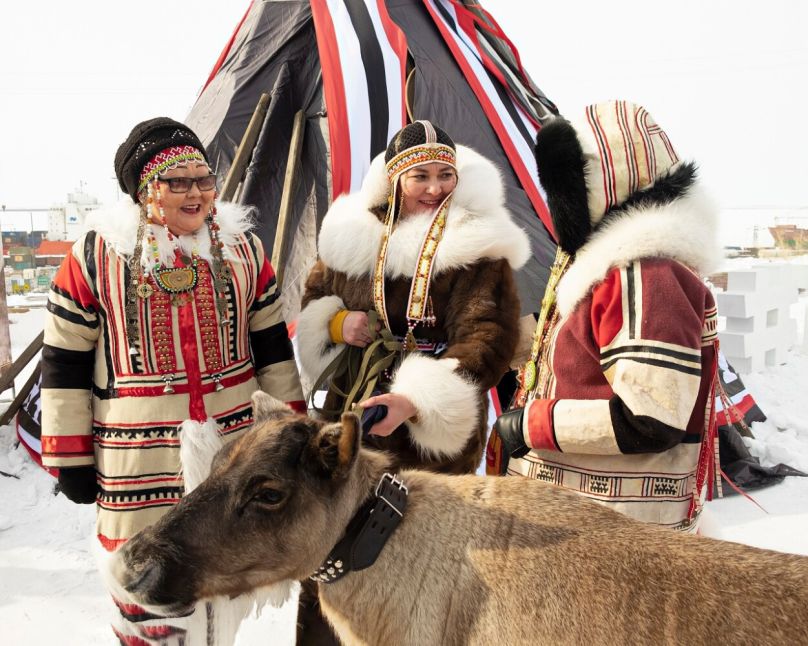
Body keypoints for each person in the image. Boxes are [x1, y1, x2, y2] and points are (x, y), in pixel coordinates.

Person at [39, 117, 305, 644]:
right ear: (143, 189)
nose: (195, 192)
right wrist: (69, 455)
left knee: (221, 567)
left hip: (232, 447)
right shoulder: (96, 256)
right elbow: (64, 360)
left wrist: (290, 434)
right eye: (175, 181)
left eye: (203, 179)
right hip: (137, 458)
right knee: (144, 576)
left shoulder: (244, 252)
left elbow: (273, 349)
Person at [295, 120, 529, 644]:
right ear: (394, 180)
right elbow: (313, 301)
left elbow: (487, 337)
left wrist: (416, 400)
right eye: (419, 175)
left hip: (431, 431)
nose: (434, 188)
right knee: (334, 544)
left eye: (445, 174)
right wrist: (337, 324)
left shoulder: (477, 247)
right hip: (351, 417)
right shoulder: (350, 237)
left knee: (426, 560)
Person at [491, 100, 720, 532]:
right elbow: (583, 352)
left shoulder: (646, 276)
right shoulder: (617, 271)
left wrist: (530, 425)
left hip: (612, 536)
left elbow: (650, 419)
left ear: (604, 183)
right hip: (586, 521)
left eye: (567, 187)